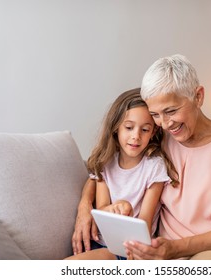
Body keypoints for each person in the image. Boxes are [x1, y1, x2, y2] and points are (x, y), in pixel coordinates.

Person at [74, 54, 211, 260]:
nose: (165, 123)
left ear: (198, 96)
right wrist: (85, 206)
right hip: (169, 257)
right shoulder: (157, 140)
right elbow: (104, 168)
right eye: (156, 115)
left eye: (171, 111)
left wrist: (176, 248)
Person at [67, 88, 178, 260]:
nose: (136, 136)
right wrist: (114, 208)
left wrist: (126, 210)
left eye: (145, 130)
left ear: (153, 132)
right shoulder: (105, 162)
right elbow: (102, 208)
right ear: (116, 127)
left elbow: (145, 225)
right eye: (129, 127)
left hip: (128, 251)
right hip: (98, 241)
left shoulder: (154, 167)